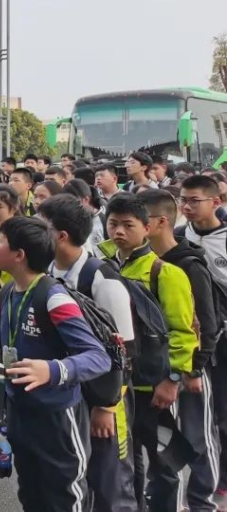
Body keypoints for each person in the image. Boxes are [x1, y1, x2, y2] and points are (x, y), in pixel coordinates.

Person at [0, 216, 112, 512]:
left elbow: (98, 357)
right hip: (21, 414)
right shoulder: (7, 292)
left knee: (65, 496)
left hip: (57, 418)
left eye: (0, 241)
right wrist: (0, 418)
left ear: (19, 255)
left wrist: (52, 369)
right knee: (32, 495)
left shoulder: (53, 297)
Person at [96, 193, 198, 511]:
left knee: (163, 462)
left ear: (147, 227)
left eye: (128, 225)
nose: (119, 232)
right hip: (120, 386)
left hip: (153, 385)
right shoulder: (101, 268)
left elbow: (184, 333)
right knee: (127, 462)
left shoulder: (165, 273)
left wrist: (172, 379)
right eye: (113, 224)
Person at [37, 194, 136, 512]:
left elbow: (124, 352)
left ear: (60, 236)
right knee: (70, 478)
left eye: (42, 228)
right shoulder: (47, 273)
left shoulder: (102, 280)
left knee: (109, 482)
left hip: (104, 400)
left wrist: (107, 406)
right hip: (68, 397)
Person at [140, 188, 221, 512]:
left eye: (137, 220)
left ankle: (203, 501)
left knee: (199, 436)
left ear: (160, 222)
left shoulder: (188, 265)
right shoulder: (145, 262)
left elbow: (207, 323)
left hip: (191, 370)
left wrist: (194, 369)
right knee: (167, 442)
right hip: (161, 368)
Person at [176, 174, 227, 504]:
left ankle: (220, 479)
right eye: (184, 199)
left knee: (223, 409)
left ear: (216, 203)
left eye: (195, 200)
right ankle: (209, 479)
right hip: (198, 338)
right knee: (205, 411)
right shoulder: (179, 238)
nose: (188, 206)